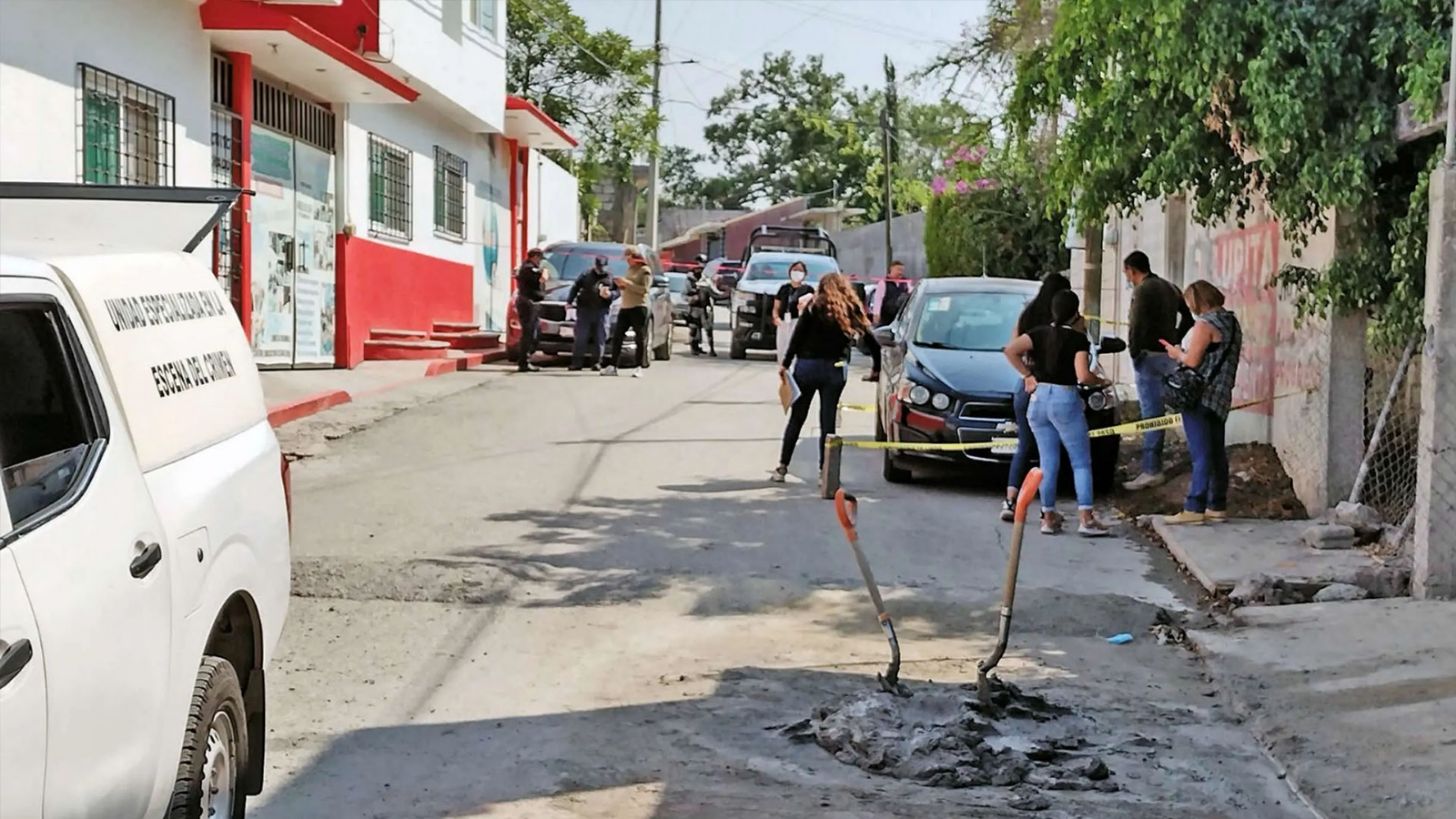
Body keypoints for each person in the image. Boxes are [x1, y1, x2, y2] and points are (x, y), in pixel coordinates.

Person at [1003, 290, 1111, 537]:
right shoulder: (1077, 340)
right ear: (1076, 313)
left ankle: (1048, 517)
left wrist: (1027, 375)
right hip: (1064, 398)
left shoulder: (1039, 333)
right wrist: (1101, 381)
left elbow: (1010, 350)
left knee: (1048, 461)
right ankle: (1086, 518)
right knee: (1080, 461)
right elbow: (1083, 375)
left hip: (1038, 399)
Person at [771, 272, 871, 483]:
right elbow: (869, 337)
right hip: (834, 369)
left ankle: (782, 467)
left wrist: (785, 364)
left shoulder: (812, 308)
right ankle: (824, 472)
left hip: (806, 368)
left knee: (797, 418)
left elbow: (797, 338)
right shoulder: (849, 308)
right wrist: (877, 366)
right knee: (828, 421)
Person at [1160, 280, 1243, 525]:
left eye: (1190, 303)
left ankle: (1194, 507)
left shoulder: (1205, 324)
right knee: (1217, 452)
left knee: (1201, 454)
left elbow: (1193, 361)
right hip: (1220, 395)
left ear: (1198, 301)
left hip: (1199, 395)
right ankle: (1217, 505)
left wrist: (1176, 353)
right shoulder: (1231, 322)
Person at [1000, 272, 1072, 521]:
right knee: (1048, 451)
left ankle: (1010, 501)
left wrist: (1027, 374)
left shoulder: (1027, 315)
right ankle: (1046, 510)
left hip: (1026, 387)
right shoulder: (1062, 321)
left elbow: (1011, 348)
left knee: (1024, 445)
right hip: (1053, 387)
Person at [1121, 250, 1195, 490]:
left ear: (1132, 270)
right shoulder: (1170, 288)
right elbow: (1188, 319)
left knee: (1152, 415)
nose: (1127, 278)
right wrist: (1174, 341)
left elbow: (1135, 324)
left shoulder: (1142, 290)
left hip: (1148, 357)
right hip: (1169, 356)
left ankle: (1152, 469)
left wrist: (1134, 353)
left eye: (1126, 273)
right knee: (1181, 406)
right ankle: (1198, 458)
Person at [605, 247, 652, 377]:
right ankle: (613, 366)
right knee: (618, 336)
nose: (627, 261)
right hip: (625, 307)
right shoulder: (629, 270)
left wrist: (628, 283)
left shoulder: (645, 271)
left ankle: (639, 366)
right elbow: (627, 287)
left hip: (639, 307)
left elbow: (644, 290)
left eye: (629, 258)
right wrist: (621, 285)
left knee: (639, 338)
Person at [567, 256, 615, 371]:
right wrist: (569, 301)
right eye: (599, 266)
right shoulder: (586, 275)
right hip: (585, 310)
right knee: (581, 337)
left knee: (600, 337)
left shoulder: (610, 277)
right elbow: (575, 287)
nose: (600, 269)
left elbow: (617, 291)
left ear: (606, 266)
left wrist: (610, 295)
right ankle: (577, 363)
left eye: (602, 266)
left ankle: (597, 363)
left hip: (602, 311)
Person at [772, 261, 815, 365]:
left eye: (800, 270)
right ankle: (783, 369)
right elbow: (776, 307)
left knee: (795, 346)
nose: (797, 273)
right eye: (795, 270)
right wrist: (776, 317)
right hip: (783, 322)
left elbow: (812, 306)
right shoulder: (784, 288)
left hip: (798, 321)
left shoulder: (808, 289)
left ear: (805, 274)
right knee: (782, 348)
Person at [514, 248, 547, 373]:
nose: (540, 262)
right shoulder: (528, 268)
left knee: (535, 333)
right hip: (527, 303)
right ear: (534, 257)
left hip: (532, 303)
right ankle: (524, 362)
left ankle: (526, 359)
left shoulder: (529, 268)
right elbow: (541, 277)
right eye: (539, 259)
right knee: (529, 334)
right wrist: (544, 273)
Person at [687, 256, 721, 356]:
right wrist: (692, 298)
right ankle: (694, 348)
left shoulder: (707, 280)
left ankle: (711, 349)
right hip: (695, 308)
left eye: (702, 264)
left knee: (708, 329)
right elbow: (684, 294)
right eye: (699, 263)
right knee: (694, 328)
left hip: (706, 308)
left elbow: (715, 293)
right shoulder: (690, 279)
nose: (700, 267)